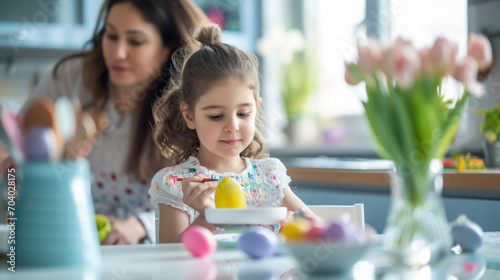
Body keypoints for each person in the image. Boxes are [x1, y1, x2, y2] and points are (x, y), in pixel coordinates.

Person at [20, 0, 210, 244]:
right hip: (61, 237)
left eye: (135, 41)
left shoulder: (191, 106)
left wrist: (141, 224)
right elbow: (19, 145)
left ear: (167, 49)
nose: (117, 53)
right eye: (111, 35)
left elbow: (205, 200)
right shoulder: (71, 77)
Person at [149, 24, 316, 243]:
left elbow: (317, 229)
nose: (233, 126)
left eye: (244, 113)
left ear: (256, 107)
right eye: (217, 116)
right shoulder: (177, 183)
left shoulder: (269, 175)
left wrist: (295, 228)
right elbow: (169, 259)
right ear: (189, 116)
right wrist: (210, 216)